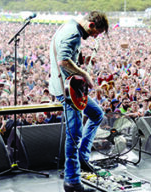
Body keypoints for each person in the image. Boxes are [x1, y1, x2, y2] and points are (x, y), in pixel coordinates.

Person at [49, 11, 108, 192]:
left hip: (71, 87)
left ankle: (82, 157)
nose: (94, 37)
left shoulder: (69, 26)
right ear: (90, 25)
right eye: (95, 33)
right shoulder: (73, 33)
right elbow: (63, 60)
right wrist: (85, 74)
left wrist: (81, 61)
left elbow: (69, 57)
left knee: (97, 114)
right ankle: (72, 181)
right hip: (67, 91)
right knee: (74, 133)